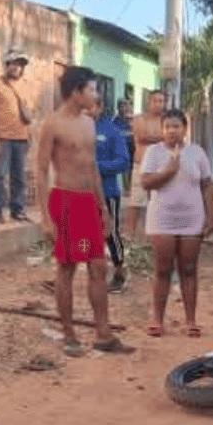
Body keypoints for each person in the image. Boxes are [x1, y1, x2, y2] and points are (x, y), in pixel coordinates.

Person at [34, 65, 135, 358]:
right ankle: (69, 334)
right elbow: (40, 171)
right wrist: (45, 217)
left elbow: (92, 169)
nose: (96, 95)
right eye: (92, 89)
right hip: (65, 204)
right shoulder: (52, 124)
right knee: (67, 268)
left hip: (88, 204)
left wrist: (102, 209)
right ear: (77, 91)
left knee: (98, 266)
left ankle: (103, 334)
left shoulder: (89, 123)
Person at [139, 109, 213, 338]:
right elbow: (146, 182)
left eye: (176, 126)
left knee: (189, 270)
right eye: (167, 127)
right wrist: (169, 170)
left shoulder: (197, 153)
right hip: (162, 220)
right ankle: (157, 319)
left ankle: (190, 320)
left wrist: (210, 216)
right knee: (162, 270)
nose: (172, 131)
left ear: (185, 128)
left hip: (191, 219)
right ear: (162, 130)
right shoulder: (153, 153)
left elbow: (207, 185)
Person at [85, 98, 131, 294]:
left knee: (110, 233)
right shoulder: (79, 130)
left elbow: (123, 161)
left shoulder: (111, 131)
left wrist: (98, 168)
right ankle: (94, 274)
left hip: (107, 192)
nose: (87, 110)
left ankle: (120, 272)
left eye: (91, 106)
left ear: (101, 106)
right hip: (83, 192)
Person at [0, 49, 32, 224]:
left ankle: (17, 210)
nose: (18, 68)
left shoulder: (24, 86)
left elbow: (27, 114)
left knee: (19, 177)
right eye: (15, 64)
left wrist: (29, 137)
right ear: (6, 65)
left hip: (21, 138)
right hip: (3, 138)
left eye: (21, 65)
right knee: (0, 176)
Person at [129, 90, 166, 242]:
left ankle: (155, 241)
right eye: (155, 100)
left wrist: (158, 139)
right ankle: (129, 238)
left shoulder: (166, 120)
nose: (158, 104)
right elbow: (141, 137)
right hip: (141, 167)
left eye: (161, 101)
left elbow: (172, 140)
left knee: (159, 205)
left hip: (161, 169)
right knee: (136, 204)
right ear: (149, 102)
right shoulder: (139, 119)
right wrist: (161, 138)